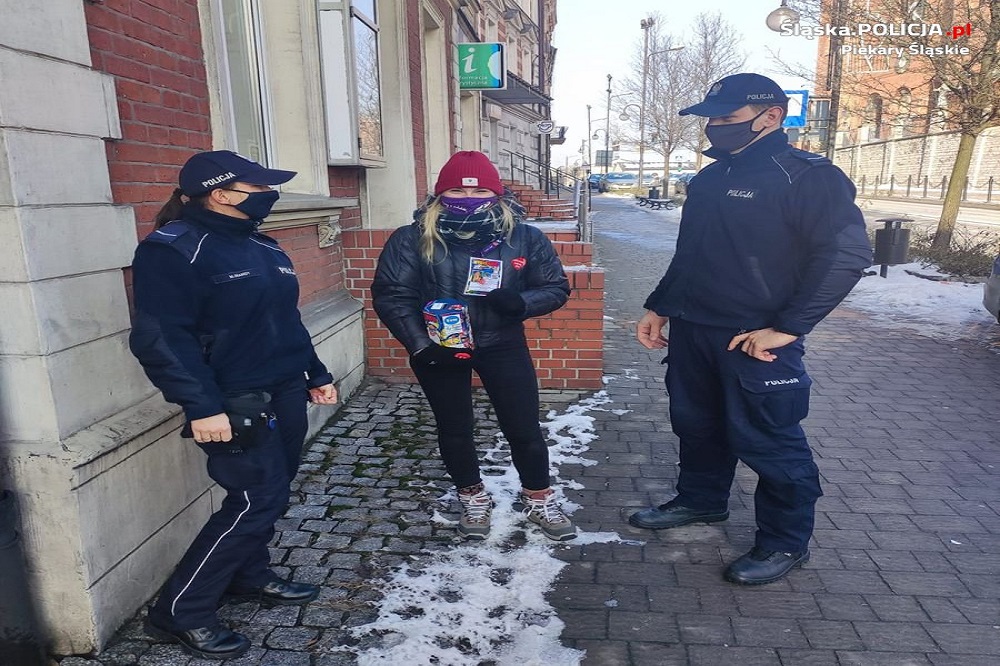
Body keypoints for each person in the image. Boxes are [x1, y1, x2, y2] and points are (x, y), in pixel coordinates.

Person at [629, 74, 872, 585]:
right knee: (697, 426)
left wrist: (788, 328)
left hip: (753, 338)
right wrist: (660, 306)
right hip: (695, 330)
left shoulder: (808, 176)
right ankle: (701, 501)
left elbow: (846, 254)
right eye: (711, 118)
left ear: (771, 117)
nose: (715, 127)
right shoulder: (709, 178)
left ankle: (785, 541)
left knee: (768, 439)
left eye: (728, 118)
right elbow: (692, 255)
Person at [129, 150, 338, 659]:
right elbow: (161, 339)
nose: (271, 194)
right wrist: (202, 406)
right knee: (255, 498)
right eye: (259, 186)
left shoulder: (263, 246)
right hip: (232, 399)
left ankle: (249, 573)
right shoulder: (173, 250)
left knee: (274, 490)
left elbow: (284, 321)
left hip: (284, 386)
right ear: (220, 193)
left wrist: (314, 373)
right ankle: (179, 611)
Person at [371, 150, 577, 542]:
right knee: (455, 428)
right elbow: (392, 294)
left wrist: (522, 303)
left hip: (502, 342)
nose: (469, 197)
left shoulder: (525, 236)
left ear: (496, 193)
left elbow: (555, 287)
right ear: (439, 194)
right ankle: (471, 496)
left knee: (523, 427)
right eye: (457, 190)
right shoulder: (412, 238)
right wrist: (420, 345)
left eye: (480, 189)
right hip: (438, 347)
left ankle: (538, 497)